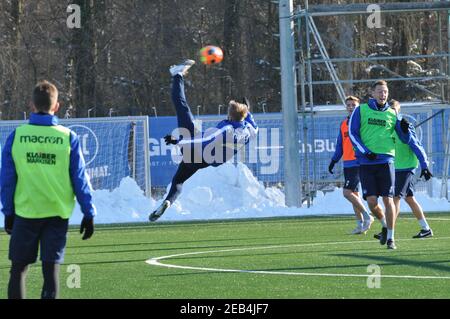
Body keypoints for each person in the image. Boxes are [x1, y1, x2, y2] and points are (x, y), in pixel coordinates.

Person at [1, 80, 96, 299]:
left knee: (18, 270)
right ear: (57, 106)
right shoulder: (68, 137)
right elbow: (79, 178)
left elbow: (7, 179)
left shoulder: (17, 136)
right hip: (56, 214)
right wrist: (88, 212)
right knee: (50, 270)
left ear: (31, 105)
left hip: (26, 212)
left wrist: (8, 212)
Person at [149, 60, 258, 222]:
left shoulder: (227, 129)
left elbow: (203, 139)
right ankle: (167, 202)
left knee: (182, 107)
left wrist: (178, 141)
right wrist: (247, 109)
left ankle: (177, 74)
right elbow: (251, 121)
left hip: (198, 150)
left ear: (229, 116)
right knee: (179, 179)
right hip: (206, 161)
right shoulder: (250, 130)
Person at [349, 80, 411, 250]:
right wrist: (365, 151)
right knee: (371, 201)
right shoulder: (361, 110)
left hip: (386, 161)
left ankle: (391, 238)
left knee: (388, 199)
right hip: (366, 162)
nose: (383, 94)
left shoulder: (392, 113)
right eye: (379, 91)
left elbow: (404, 139)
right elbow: (352, 134)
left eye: (385, 92)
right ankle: (384, 223)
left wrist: (405, 130)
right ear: (372, 93)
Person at [328, 96, 374, 235]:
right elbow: (340, 144)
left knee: (347, 193)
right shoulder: (343, 124)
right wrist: (334, 160)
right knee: (354, 194)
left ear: (358, 106)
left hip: (358, 161)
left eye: (353, 104)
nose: (350, 107)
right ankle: (360, 225)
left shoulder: (362, 122)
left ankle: (367, 216)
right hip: (348, 163)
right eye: (348, 105)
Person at [389, 99, 433, 238]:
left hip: (406, 167)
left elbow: (416, 146)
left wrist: (424, 166)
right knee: (409, 198)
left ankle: (388, 230)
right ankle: (425, 228)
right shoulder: (387, 127)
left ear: (398, 110)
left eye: (394, 110)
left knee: (395, 198)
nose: (391, 112)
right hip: (396, 167)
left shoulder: (404, 125)